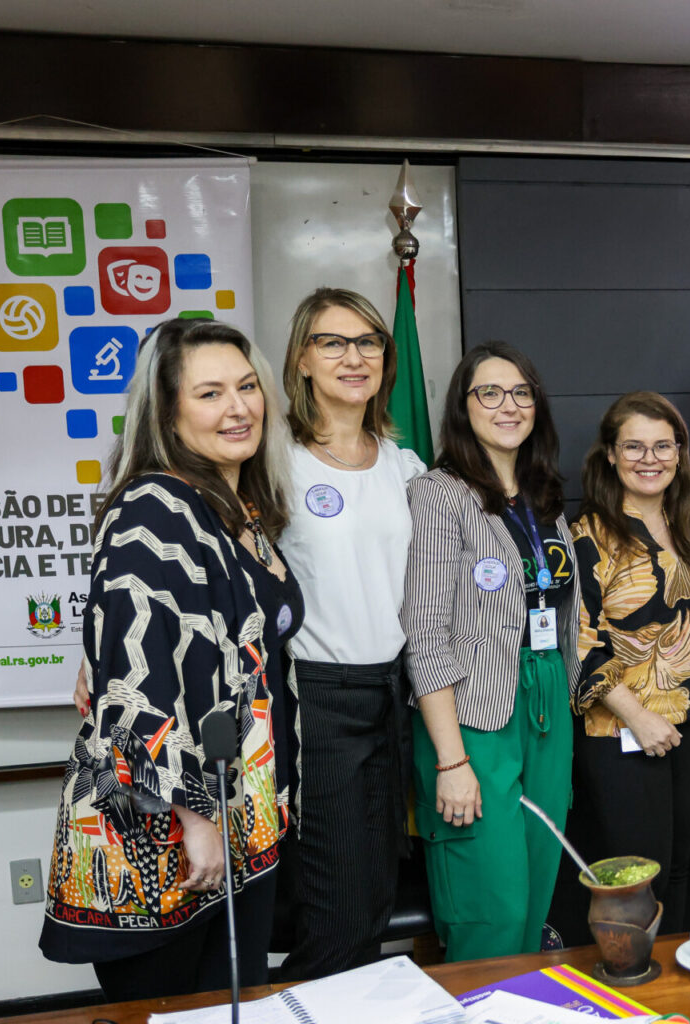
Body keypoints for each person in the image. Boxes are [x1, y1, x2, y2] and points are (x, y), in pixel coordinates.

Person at [40, 319, 300, 1000]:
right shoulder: (157, 504)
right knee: (172, 1012)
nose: (238, 407)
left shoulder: (234, 505)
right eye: (210, 393)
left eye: (247, 387)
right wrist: (198, 818)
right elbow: (138, 684)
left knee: (228, 1005)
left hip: (237, 804)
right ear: (168, 410)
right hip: (165, 830)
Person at [399, 341, 578, 961]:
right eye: (490, 393)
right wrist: (451, 760)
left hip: (547, 695)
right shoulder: (439, 493)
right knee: (491, 899)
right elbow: (425, 630)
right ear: (462, 406)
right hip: (474, 711)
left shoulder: (543, 496)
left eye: (521, 393)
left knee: (536, 884)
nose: (509, 406)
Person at [270, 287, 425, 980]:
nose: (353, 357)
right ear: (303, 358)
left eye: (367, 343)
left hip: (392, 697)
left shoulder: (404, 465)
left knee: (375, 898)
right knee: (331, 904)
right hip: (317, 701)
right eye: (333, 342)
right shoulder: (274, 463)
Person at [570, 392, 690, 937]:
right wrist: (638, 716)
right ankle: (629, 996)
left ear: (680, 453)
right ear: (610, 454)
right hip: (621, 728)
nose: (649, 458)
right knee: (635, 877)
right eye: (633, 446)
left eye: (663, 445)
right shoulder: (586, 533)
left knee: (680, 869)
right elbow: (580, 642)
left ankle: (669, 987)